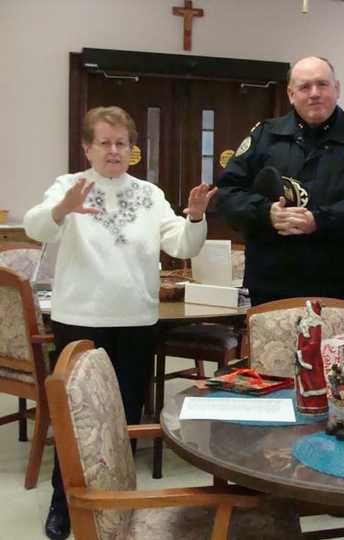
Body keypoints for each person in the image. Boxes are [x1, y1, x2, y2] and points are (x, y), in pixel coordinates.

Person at [23, 106, 216, 540]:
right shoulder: (68, 186)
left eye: (122, 144)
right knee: (74, 420)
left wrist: (197, 216)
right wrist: (60, 209)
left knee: (125, 416)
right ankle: (64, 504)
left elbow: (183, 243)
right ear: (87, 146)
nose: (114, 150)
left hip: (135, 321)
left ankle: (118, 504)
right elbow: (38, 229)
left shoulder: (149, 193)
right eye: (105, 142)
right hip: (79, 322)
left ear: (132, 150)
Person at [216, 56, 344, 305]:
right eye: (304, 87)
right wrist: (265, 213)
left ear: (337, 89)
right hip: (270, 284)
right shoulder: (264, 136)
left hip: (341, 285)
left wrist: (320, 220)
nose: (314, 93)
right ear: (291, 94)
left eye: (322, 84)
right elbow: (228, 195)